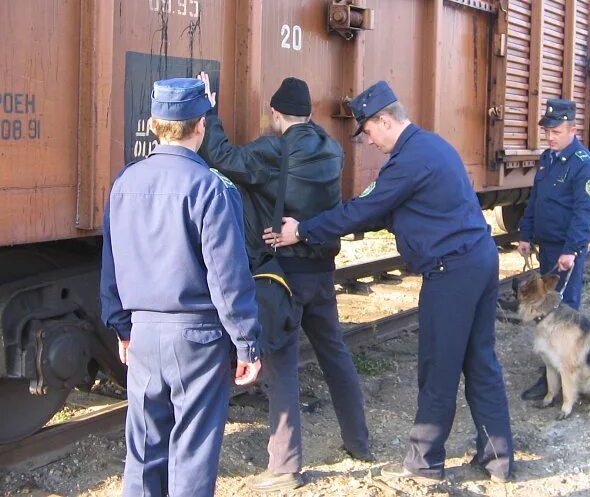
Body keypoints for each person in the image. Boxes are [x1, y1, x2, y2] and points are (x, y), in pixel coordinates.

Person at [265, 81, 515, 483]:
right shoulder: (432, 147)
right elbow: (388, 211)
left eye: (367, 131)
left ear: (384, 119)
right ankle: (498, 460)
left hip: (451, 272)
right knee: (480, 360)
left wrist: (305, 230)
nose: (367, 141)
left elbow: (366, 209)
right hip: (477, 262)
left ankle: (424, 465)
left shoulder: (408, 160)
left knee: (439, 366)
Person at [199, 75, 370, 493]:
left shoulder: (271, 150)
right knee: (335, 355)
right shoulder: (332, 149)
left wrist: (209, 109)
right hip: (321, 272)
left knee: (282, 368)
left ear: (276, 114)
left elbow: (221, 156)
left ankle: (285, 467)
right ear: (310, 113)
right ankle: (359, 441)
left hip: (283, 277)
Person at [100, 78, 262, 497]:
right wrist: (247, 345)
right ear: (201, 126)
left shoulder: (124, 184)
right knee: (191, 453)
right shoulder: (212, 187)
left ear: (154, 125)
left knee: (143, 453)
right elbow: (227, 277)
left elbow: (111, 266)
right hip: (198, 339)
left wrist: (122, 328)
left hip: (143, 333)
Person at [516, 98, 590, 400]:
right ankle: (551, 375)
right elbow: (535, 200)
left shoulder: (584, 165)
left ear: (572, 130)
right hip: (546, 248)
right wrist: (525, 234)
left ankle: (565, 378)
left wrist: (572, 250)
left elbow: (584, 213)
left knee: (564, 313)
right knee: (543, 311)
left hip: (567, 254)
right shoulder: (548, 159)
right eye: (548, 132)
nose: (550, 137)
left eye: (556, 131)